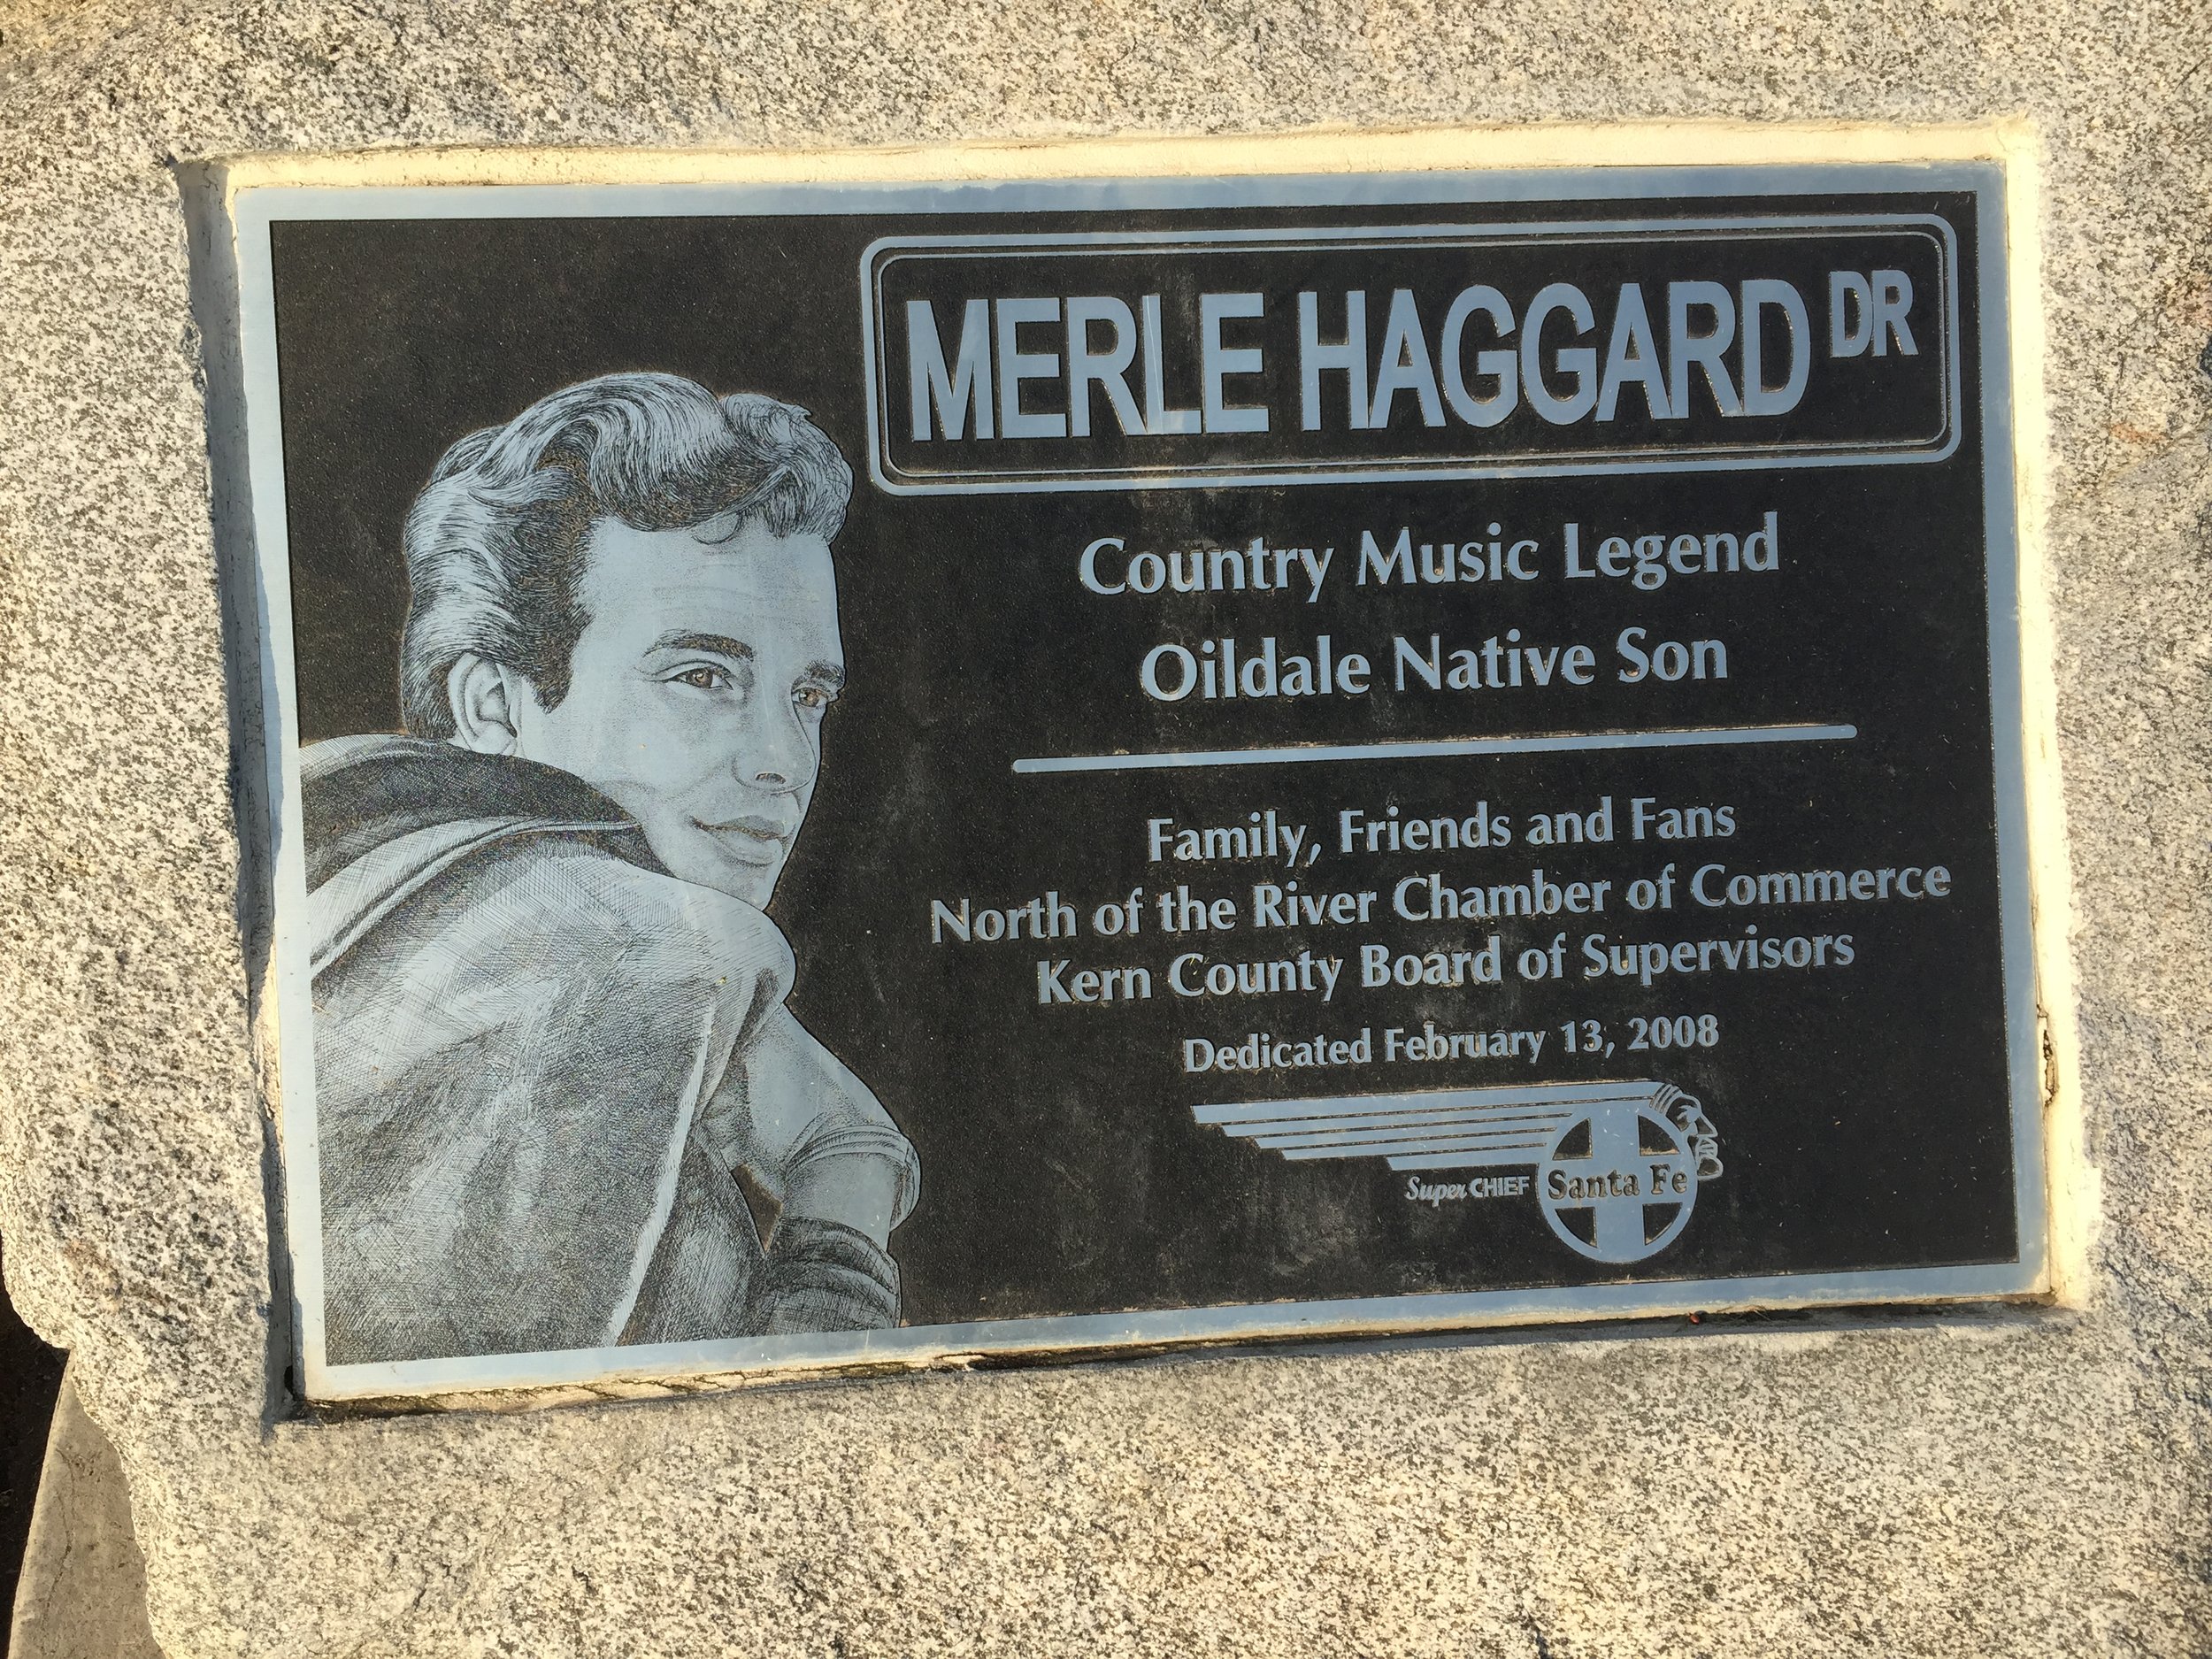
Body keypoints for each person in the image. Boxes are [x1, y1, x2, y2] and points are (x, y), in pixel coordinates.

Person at [301, 373, 917, 1366]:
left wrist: (842, 1157)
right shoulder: (618, 940)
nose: (781, 759)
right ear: (492, 707)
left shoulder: (368, 885)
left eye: (807, 696)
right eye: (701, 677)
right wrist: (838, 1248)